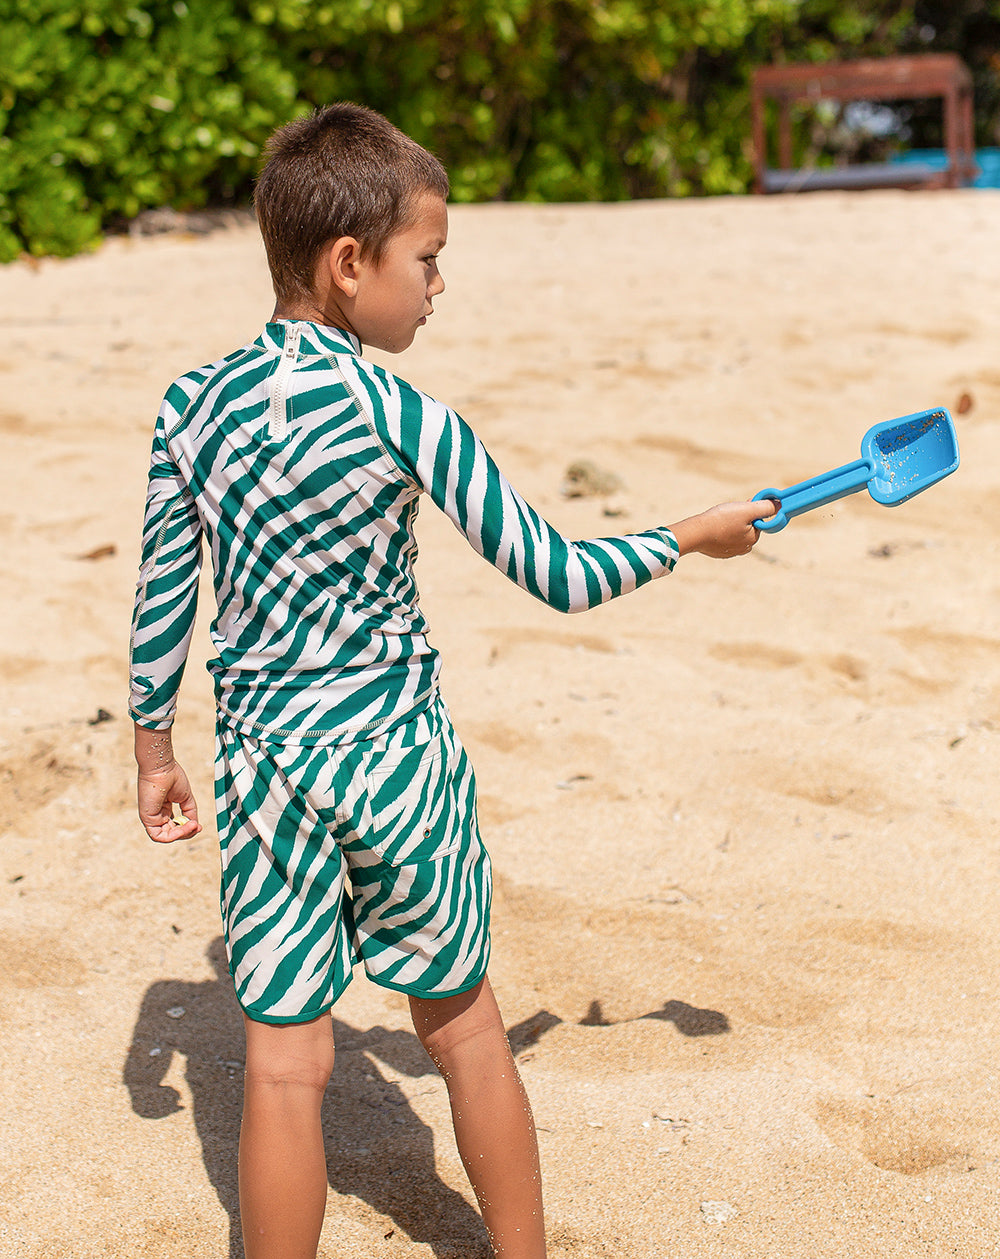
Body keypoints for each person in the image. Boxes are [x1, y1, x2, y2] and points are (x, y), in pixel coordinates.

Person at [128, 102, 776, 1259]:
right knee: (466, 1030)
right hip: (399, 765)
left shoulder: (193, 407)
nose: (437, 285)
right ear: (346, 265)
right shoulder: (400, 412)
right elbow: (558, 573)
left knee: (283, 1064)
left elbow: (162, 599)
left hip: (269, 768)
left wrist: (152, 747)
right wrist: (689, 533)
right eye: (425, 260)